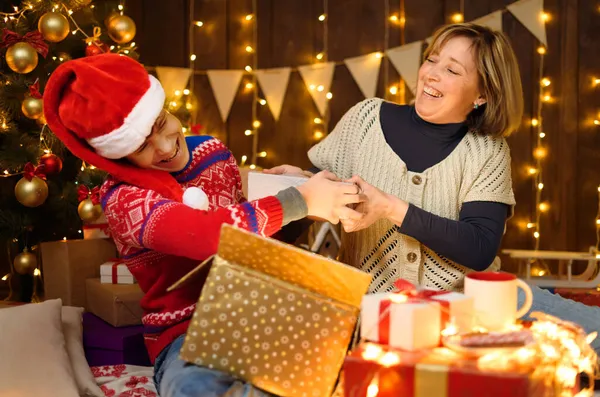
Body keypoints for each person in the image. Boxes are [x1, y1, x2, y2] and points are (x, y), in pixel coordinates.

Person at [43, 54, 364, 397]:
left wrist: (293, 194)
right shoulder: (124, 200)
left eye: (161, 123)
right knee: (194, 388)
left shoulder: (210, 151)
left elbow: (258, 240)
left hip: (261, 314)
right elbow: (210, 236)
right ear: (118, 157)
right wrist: (298, 201)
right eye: (141, 147)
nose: (165, 147)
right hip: (185, 334)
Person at [266, 22, 600, 352]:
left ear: (482, 94)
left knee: (593, 334)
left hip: (472, 305)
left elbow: (480, 248)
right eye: (431, 59)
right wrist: (300, 184)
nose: (431, 74)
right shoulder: (365, 119)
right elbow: (311, 203)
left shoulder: (486, 151)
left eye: (452, 70)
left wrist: (390, 208)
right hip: (370, 308)